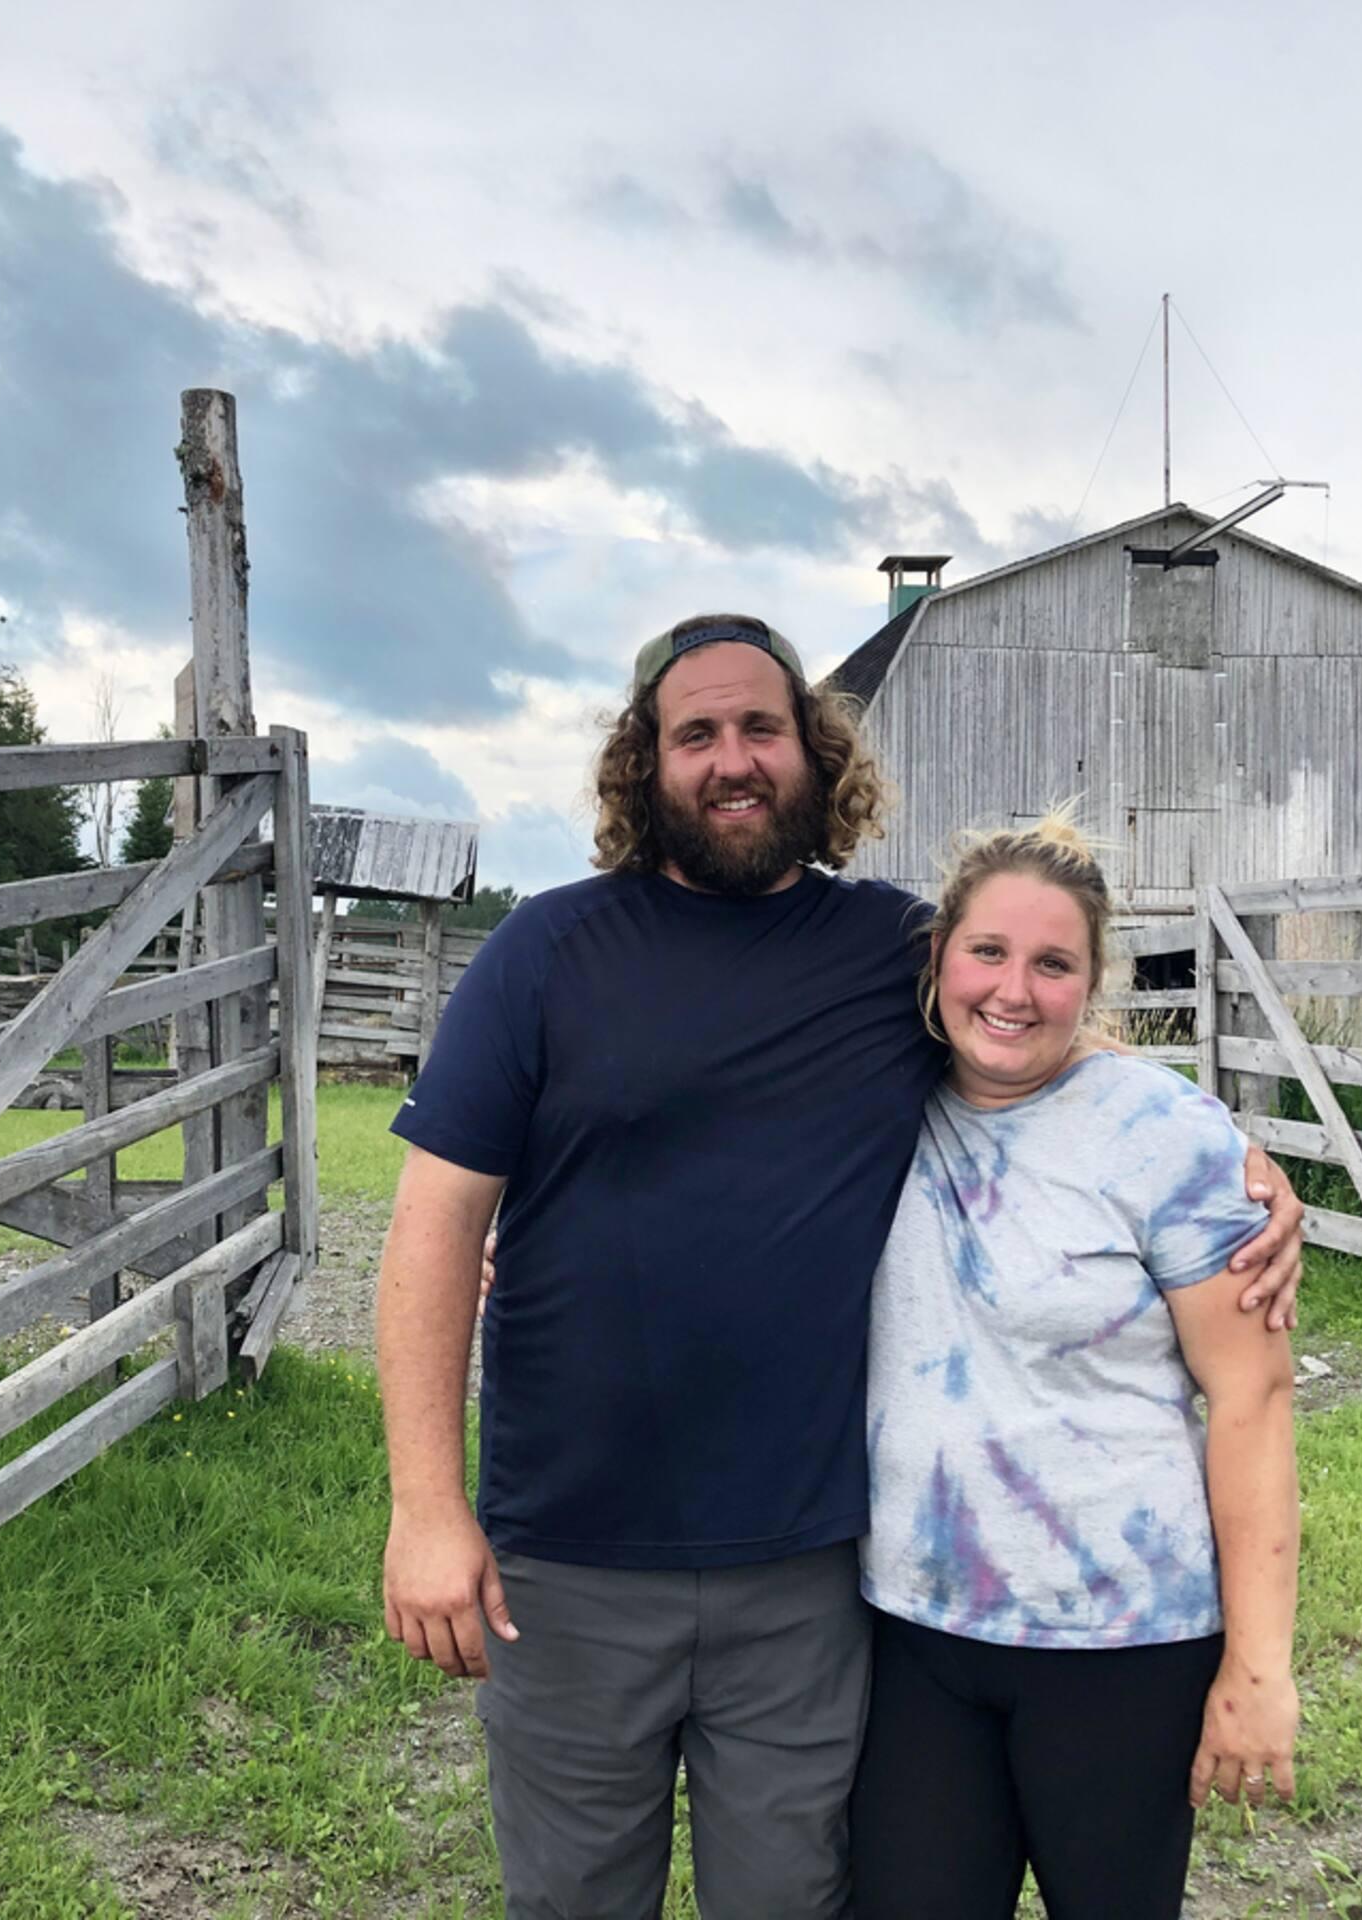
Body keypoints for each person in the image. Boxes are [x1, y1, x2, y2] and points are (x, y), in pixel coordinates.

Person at [376, 613, 1303, 1919]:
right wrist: (427, 1506)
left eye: (762, 727)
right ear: (646, 765)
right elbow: (432, 1227)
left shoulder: (886, 952)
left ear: (814, 755)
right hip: (570, 1564)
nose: (732, 758)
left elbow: (1026, 1013)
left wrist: (1233, 1155)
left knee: (793, 1901)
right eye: (694, 733)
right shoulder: (547, 952)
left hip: (807, 1573)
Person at [848, 812, 1300, 1919]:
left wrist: (1258, 1665)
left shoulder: (1166, 1138)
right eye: (987, 953)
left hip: (1121, 1642)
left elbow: (1251, 1397)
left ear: (1091, 981)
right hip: (911, 1630)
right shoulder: (867, 1103)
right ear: (939, 959)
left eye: (1053, 963)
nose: (1014, 989)